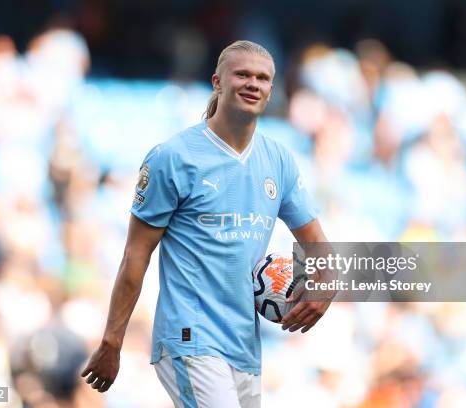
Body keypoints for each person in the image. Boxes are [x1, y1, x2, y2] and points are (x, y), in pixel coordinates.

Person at [81, 40, 332, 407]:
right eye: (242, 74)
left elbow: (315, 241)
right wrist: (112, 341)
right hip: (190, 337)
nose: (253, 84)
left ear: (271, 90)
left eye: (262, 78)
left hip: (244, 343)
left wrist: (328, 286)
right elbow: (136, 255)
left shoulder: (278, 160)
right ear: (217, 82)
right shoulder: (174, 157)